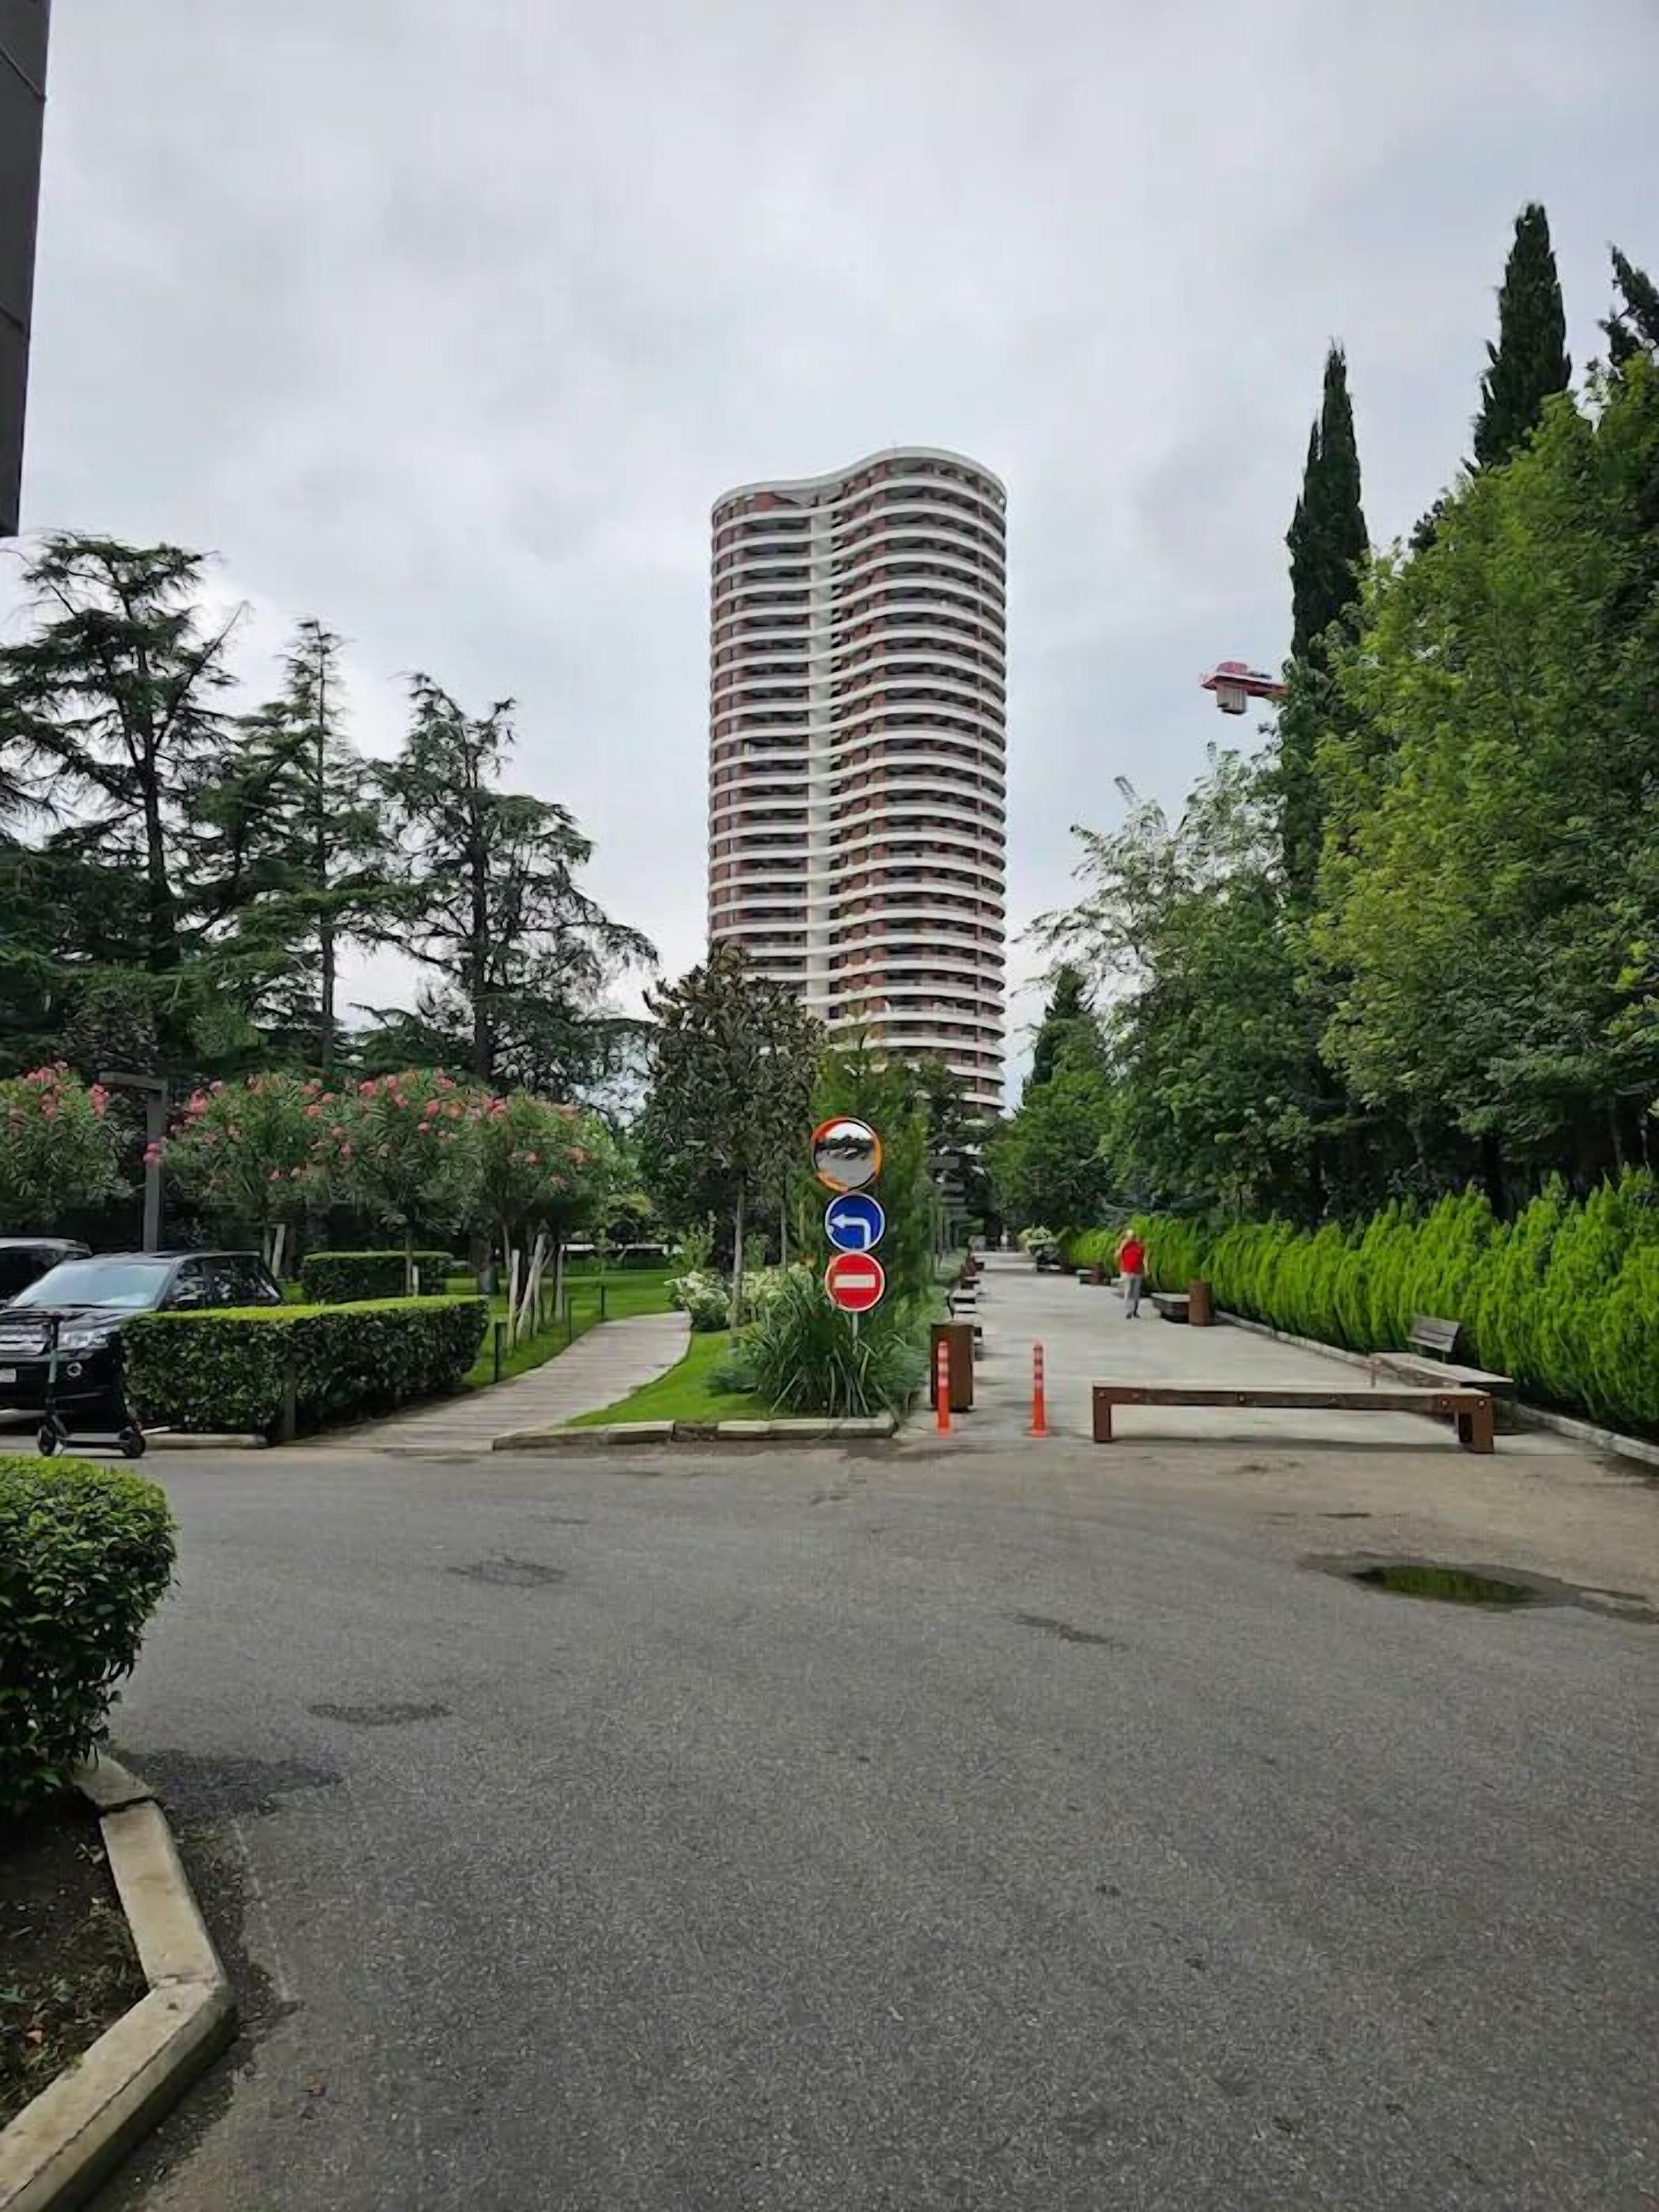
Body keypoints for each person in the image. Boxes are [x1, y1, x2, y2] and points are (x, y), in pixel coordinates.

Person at [1117, 1229, 1146, 1319]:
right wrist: (1122, 1246)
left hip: (1138, 1272)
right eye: (1130, 1236)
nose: (1131, 1238)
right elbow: (1117, 1256)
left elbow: (1144, 1259)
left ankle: (1135, 1311)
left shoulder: (1140, 1247)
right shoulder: (1124, 1246)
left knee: (1136, 1292)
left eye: (1133, 1236)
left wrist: (1146, 1269)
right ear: (1126, 1237)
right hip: (1127, 1272)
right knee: (1128, 1291)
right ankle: (1129, 1311)